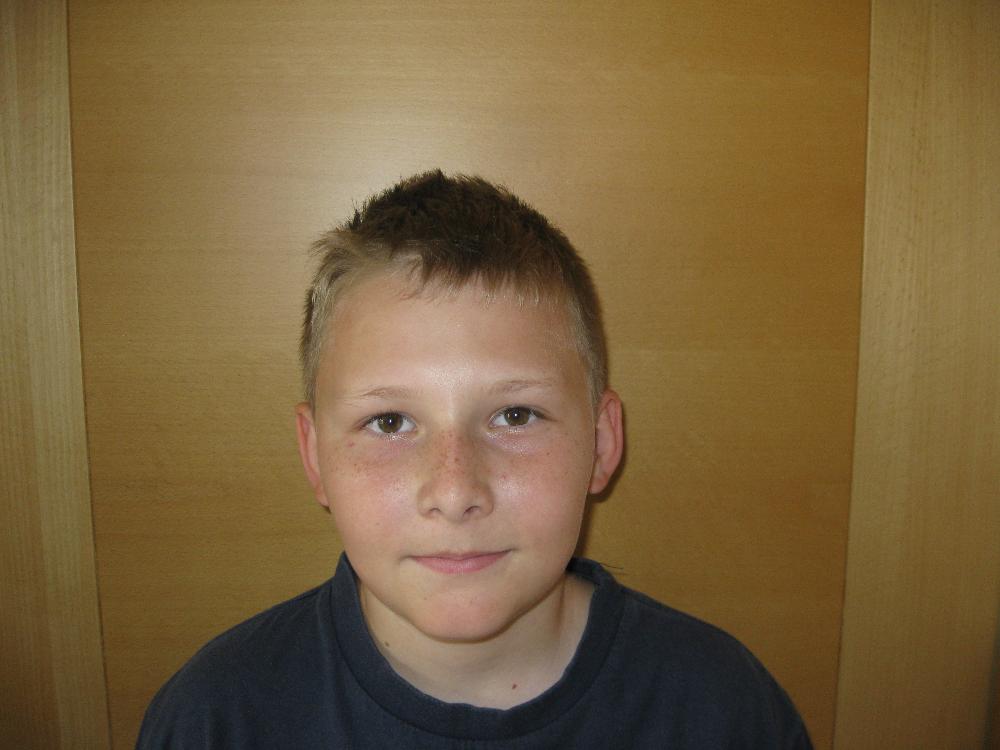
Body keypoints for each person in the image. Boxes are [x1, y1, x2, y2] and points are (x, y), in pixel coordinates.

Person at [137, 171, 812, 748]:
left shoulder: (725, 712)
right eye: (390, 422)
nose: (456, 490)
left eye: (515, 416)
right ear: (315, 458)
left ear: (603, 444)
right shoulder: (215, 721)